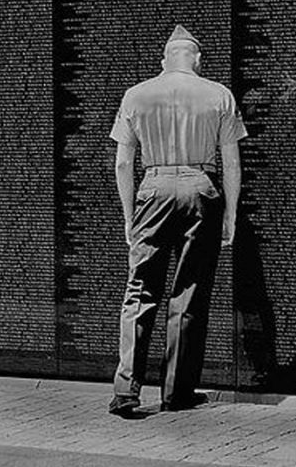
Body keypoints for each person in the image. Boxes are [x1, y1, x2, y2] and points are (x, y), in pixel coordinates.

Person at [107, 25, 247, 416]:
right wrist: (231, 213)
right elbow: (232, 162)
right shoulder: (219, 94)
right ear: (198, 59)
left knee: (139, 289)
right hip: (201, 187)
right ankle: (176, 392)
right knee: (188, 292)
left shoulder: (136, 95)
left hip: (152, 187)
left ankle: (125, 390)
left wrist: (128, 213)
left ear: (164, 59)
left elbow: (122, 162)